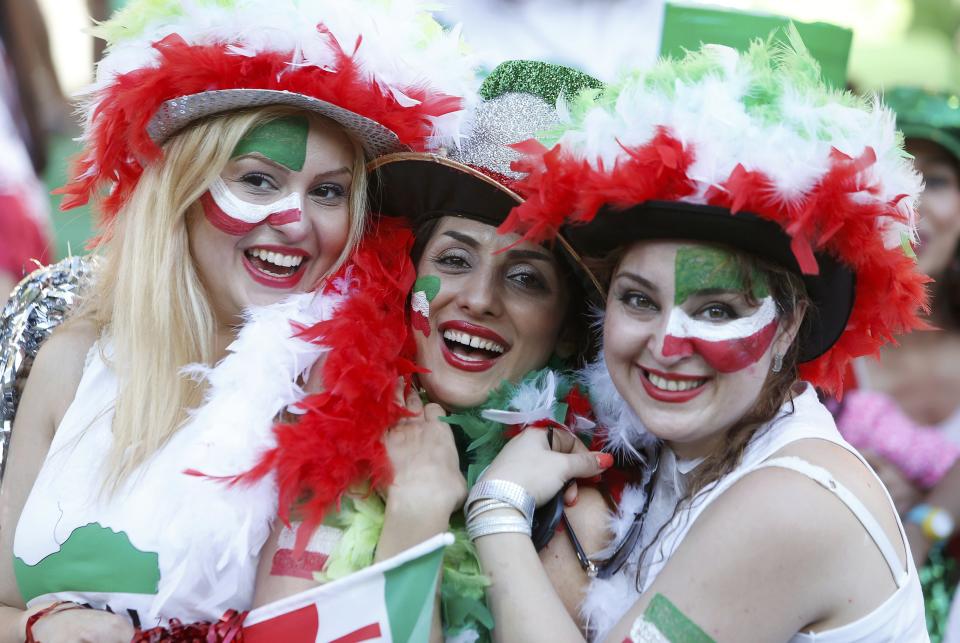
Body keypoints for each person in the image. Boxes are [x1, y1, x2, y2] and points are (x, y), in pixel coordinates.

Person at [0, 0, 471, 640]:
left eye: (328, 192)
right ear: (184, 191)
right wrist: (41, 628)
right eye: (257, 181)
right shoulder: (74, 359)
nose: (295, 220)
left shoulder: (348, 394)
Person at [467, 36, 930, 641]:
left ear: (789, 324)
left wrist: (497, 508)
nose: (667, 342)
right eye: (639, 299)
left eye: (715, 310)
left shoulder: (787, 502)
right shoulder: (687, 447)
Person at [250, 60, 610, 642]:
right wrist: (418, 509)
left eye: (526, 278)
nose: (480, 300)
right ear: (407, 276)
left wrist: (473, 509)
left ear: (568, 329)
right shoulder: (319, 420)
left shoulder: (575, 518)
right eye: (454, 260)